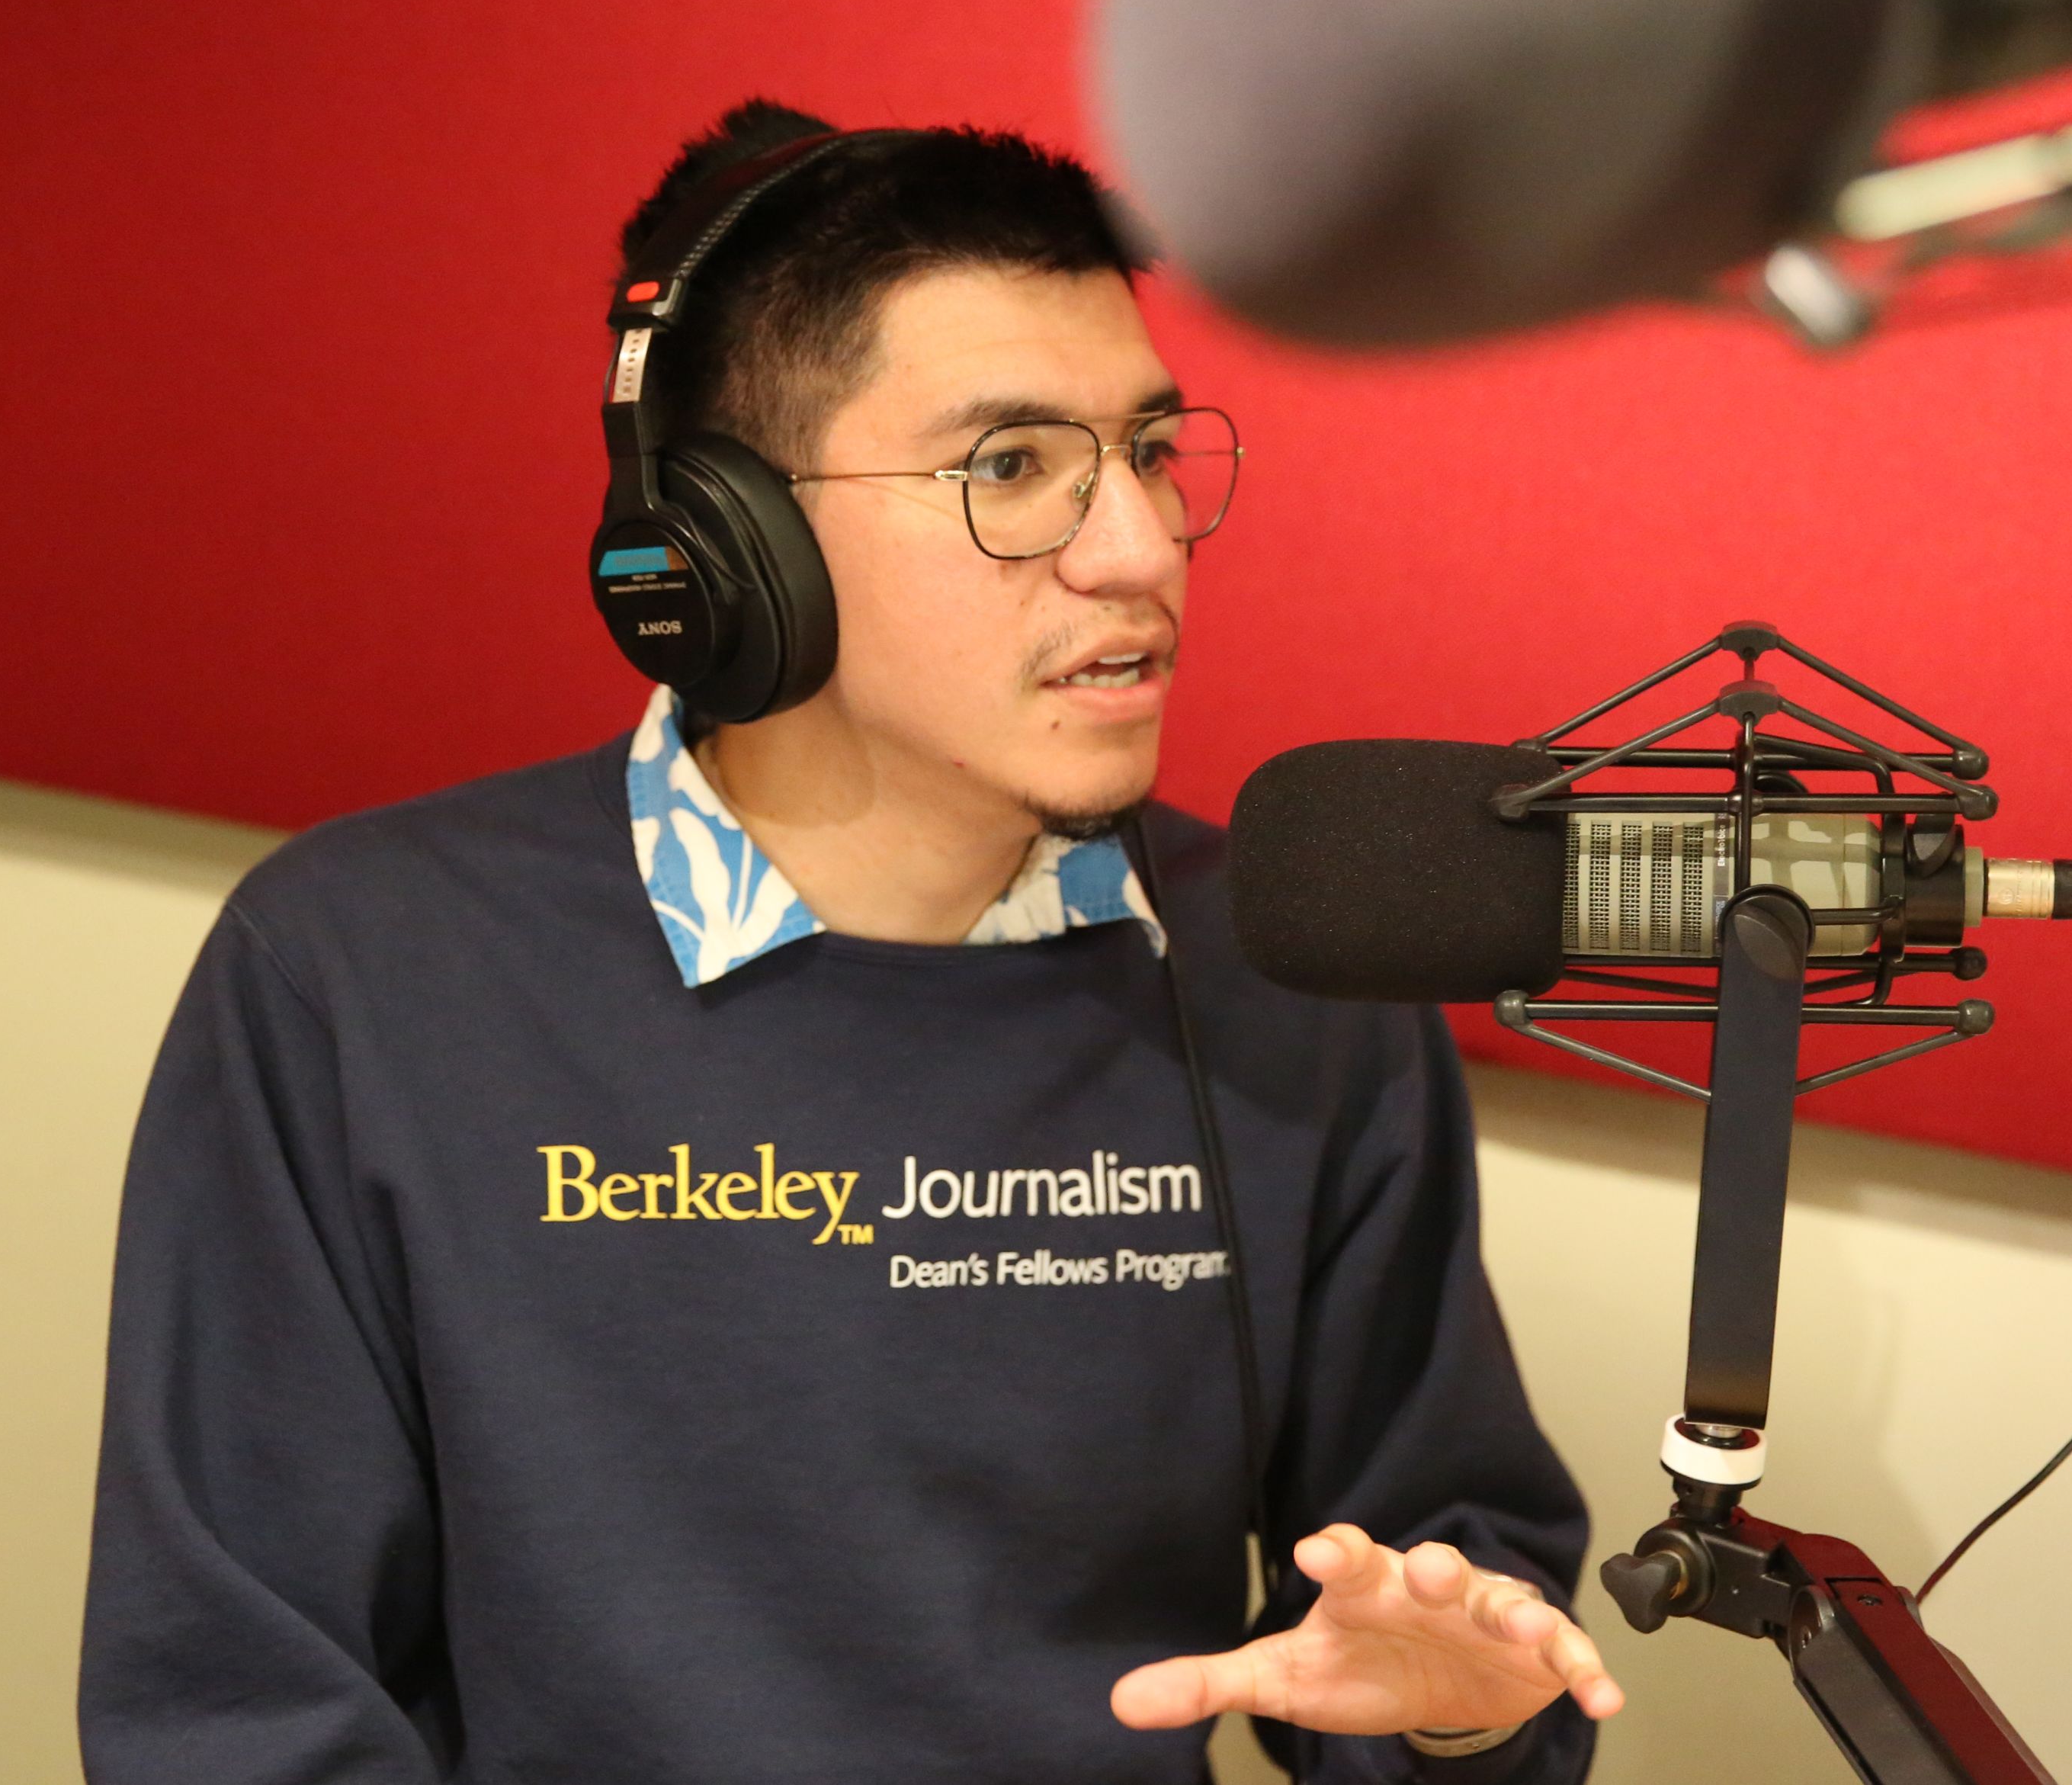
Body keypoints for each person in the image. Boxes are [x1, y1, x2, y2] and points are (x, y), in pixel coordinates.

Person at [79, 99, 1621, 1782]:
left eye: (1152, 452)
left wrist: (1464, 1715)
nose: (1141, 549)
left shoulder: (1281, 963)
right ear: (724, 542)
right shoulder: (361, 975)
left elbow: (1437, 1597)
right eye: (1010, 468)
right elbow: (235, 1707)